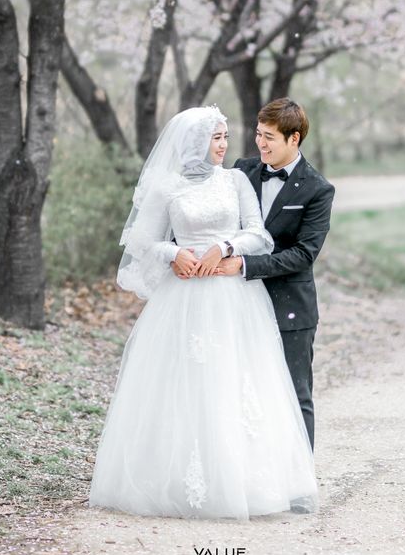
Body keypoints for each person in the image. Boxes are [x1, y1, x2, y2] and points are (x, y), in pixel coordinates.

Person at [89, 105, 317, 519]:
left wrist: (226, 247)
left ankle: (246, 481)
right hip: (185, 295)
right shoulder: (166, 188)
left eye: (226, 137)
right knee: (185, 382)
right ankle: (175, 478)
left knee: (237, 380)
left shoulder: (235, 180)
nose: (225, 145)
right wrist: (173, 252)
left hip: (233, 296)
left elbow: (258, 233)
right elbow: (140, 241)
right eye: (217, 138)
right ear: (194, 141)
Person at [216, 98, 335, 450]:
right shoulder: (242, 171)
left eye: (269, 137)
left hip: (290, 307)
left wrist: (245, 265)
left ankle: (300, 484)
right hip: (236, 301)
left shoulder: (317, 189)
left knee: (295, 392)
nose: (260, 143)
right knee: (243, 390)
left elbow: (303, 254)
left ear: (293, 139)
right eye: (258, 133)